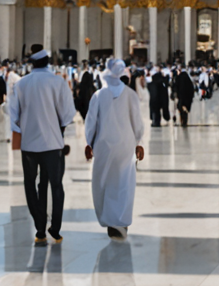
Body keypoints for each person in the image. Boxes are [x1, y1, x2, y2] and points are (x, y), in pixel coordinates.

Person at [9, 47, 74, 244]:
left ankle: (39, 227)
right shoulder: (57, 82)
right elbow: (67, 114)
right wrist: (57, 128)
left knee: (31, 184)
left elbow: (13, 115)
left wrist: (26, 127)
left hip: (29, 144)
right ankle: (55, 228)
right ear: (47, 62)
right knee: (56, 185)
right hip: (53, 144)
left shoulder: (21, 84)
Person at [83, 59, 144, 237]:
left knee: (104, 182)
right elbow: (137, 122)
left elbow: (91, 122)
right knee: (124, 182)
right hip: (125, 145)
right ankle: (121, 221)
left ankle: (110, 221)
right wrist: (139, 143)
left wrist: (89, 142)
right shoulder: (131, 95)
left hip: (104, 146)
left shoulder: (99, 95)